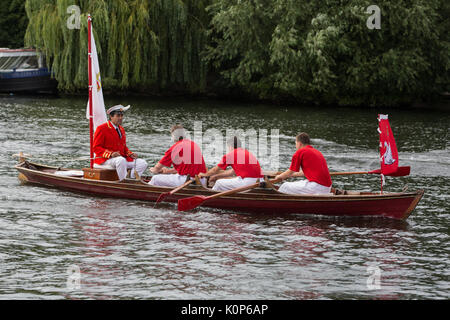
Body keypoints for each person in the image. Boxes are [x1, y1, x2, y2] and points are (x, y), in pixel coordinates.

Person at [92, 105, 148, 181]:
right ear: (111, 117)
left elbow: (123, 147)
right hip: (104, 160)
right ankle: (124, 182)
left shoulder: (121, 129)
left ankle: (131, 180)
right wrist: (111, 154)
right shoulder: (102, 128)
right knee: (121, 160)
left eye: (122, 115)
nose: (121, 118)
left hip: (119, 160)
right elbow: (96, 147)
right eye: (118, 115)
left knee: (142, 163)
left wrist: (130, 154)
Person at [199, 136, 263, 191]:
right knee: (227, 180)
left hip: (248, 182)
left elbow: (215, 170)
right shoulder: (246, 152)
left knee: (219, 183)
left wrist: (205, 175)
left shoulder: (231, 155)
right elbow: (232, 172)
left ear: (230, 146)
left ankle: (211, 197)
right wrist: (216, 176)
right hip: (260, 181)